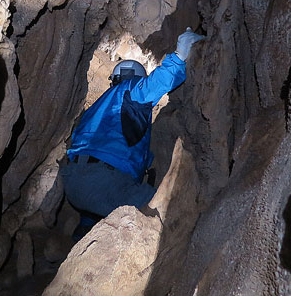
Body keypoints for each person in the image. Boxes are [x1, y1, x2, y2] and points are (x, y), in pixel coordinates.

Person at [60, 28, 205, 241]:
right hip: (103, 181)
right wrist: (180, 56)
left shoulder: (98, 109)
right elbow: (151, 88)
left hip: (74, 185)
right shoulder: (128, 90)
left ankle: (84, 236)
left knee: (98, 213)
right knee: (165, 207)